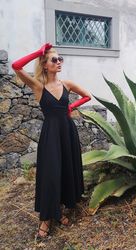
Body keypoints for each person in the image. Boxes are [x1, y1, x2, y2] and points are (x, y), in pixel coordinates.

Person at [12, 43, 91, 239]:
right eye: (54, 60)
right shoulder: (39, 87)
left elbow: (87, 96)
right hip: (51, 135)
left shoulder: (67, 84)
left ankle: (60, 211)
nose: (58, 62)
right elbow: (16, 66)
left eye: (60, 59)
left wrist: (71, 106)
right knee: (50, 174)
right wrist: (38, 52)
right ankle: (45, 219)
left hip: (67, 132)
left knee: (65, 170)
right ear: (45, 65)